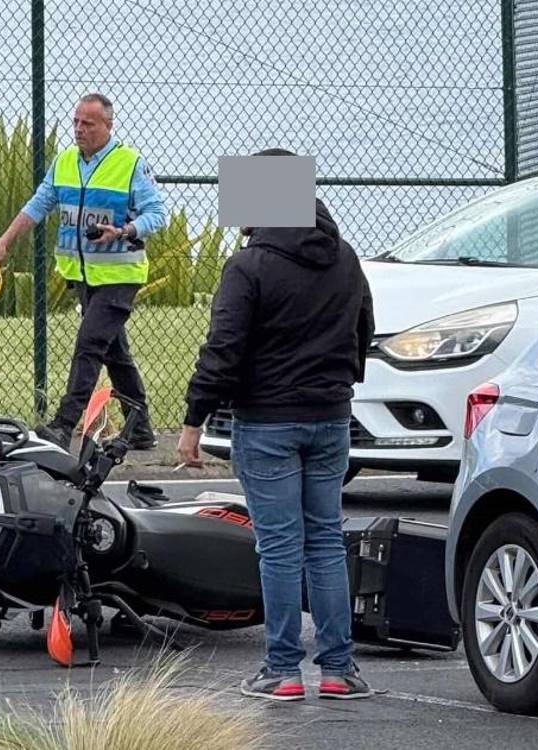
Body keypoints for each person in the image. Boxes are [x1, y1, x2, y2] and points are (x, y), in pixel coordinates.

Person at [177, 153, 377, 701]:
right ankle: (340, 669)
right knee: (325, 542)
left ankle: (281, 670)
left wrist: (194, 419)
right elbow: (365, 331)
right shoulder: (346, 259)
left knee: (281, 546)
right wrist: (337, 383)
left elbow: (224, 349)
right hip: (332, 418)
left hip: (266, 422)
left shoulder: (249, 267)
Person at [0, 92, 166, 450]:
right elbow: (39, 204)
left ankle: (63, 425)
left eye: (89, 124)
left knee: (90, 344)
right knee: (114, 352)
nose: (79, 130)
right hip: (83, 277)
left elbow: (157, 215)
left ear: (108, 126)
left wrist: (125, 231)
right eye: (76, 122)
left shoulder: (130, 164)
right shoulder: (65, 161)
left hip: (119, 276)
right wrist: (5, 243)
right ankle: (140, 427)